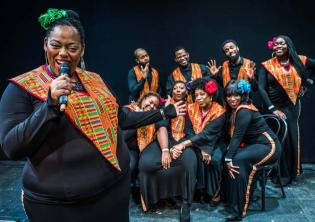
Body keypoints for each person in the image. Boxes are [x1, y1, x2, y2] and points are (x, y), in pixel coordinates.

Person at [0, 8, 185, 222]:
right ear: (45, 45)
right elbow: (12, 147)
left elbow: (121, 118)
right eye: (56, 45)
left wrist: (162, 112)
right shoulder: (22, 88)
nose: (63, 53)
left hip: (115, 191)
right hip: (63, 206)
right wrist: (49, 105)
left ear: (82, 50)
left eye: (72, 47)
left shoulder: (95, 80)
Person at [258, 35, 315, 185]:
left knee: (292, 138)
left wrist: (308, 83)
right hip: (274, 106)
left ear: (288, 45)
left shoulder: (300, 60)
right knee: (279, 139)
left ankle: (292, 172)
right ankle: (279, 174)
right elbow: (261, 88)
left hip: (292, 106)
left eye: (281, 44)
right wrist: (272, 108)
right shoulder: (267, 65)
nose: (278, 47)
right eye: (276, 45)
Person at [224, 80, 281, 221]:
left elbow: (237, 136)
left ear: (243, 95)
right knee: (235, 157)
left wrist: (228, 158)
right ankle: (235, 200)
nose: (232, 99)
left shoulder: (244, 110)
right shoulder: (236, 109)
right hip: (257, 146)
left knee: (236, 160)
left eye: (236, 95)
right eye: (229, 96)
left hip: (269, 147)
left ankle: (239, 209)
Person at [137, 90, 197, 222]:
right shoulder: (130, 112)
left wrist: (167, 149)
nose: (152, 106)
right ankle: (151, 200)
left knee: (189, 159)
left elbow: (161, 127)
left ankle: (186, 203)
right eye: (150, 102)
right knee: (146, 164)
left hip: (166, 141)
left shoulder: (158, 114)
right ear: (142, 100)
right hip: (141, 148)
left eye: (155, 105)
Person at [171, 78, 226, 208]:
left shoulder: (220, 111)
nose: (199, 98)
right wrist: (201, 147)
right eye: (196, 95)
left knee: (215, 160)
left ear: (210, 95)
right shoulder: (191, 108)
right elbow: (189, 131)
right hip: (196, 141)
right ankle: (201, 190)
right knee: (197, 157)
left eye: (202, 94)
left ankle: (215, 191)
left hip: (215, 141)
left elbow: (209, 134)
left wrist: (207, 148)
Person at [207, 40, 258, 106]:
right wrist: (216, 76)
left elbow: (255, 88)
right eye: (226, 50)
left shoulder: (250, 64)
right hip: (229, 104)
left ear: (237, 48)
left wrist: (251, 79)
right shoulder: (225, 65)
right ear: (225, 53)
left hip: (245, 104)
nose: (230, 51)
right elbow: (226, 86)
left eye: (232, 47)